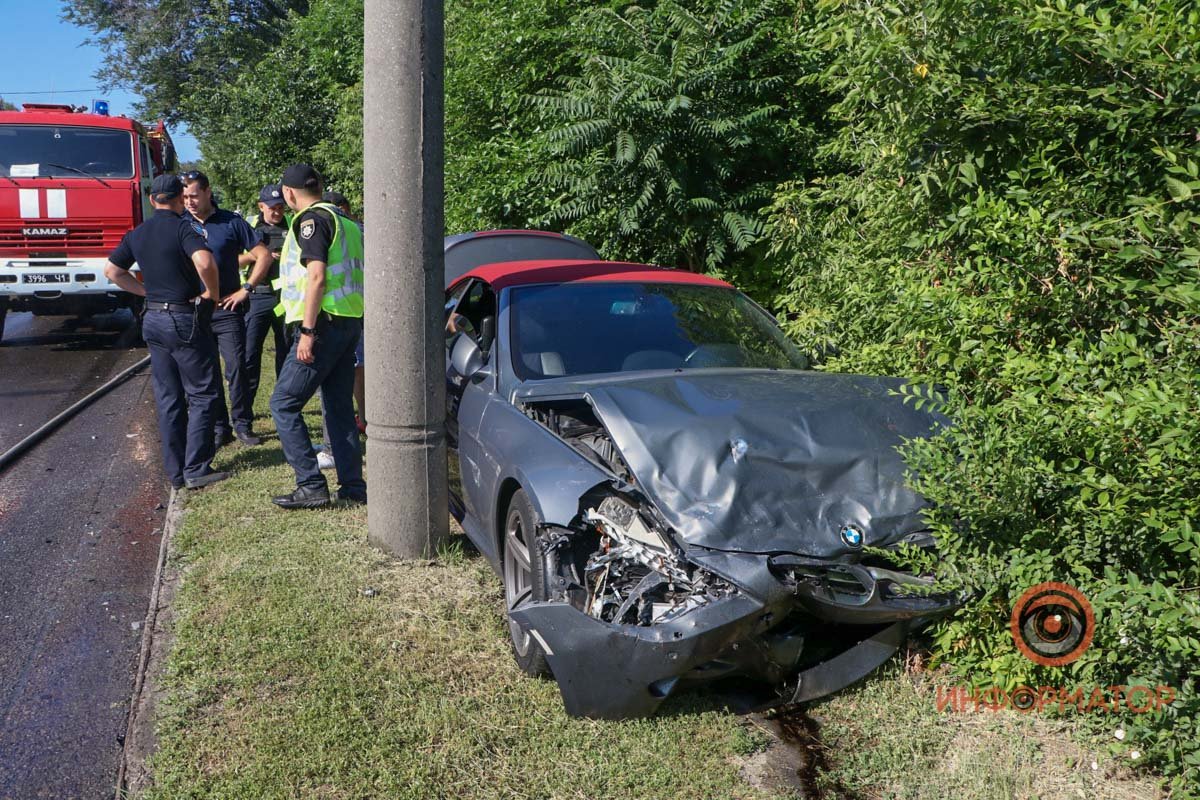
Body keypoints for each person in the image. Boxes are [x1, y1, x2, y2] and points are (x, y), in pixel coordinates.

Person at [102, 175, 228, 490]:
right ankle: (197, 467)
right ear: (179, 198)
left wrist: (145, 292)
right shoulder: (184, 227)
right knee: (202, 392)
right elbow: (205, 260)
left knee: (168, 396)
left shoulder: (138, 233)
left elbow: (113, 271)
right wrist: (211, 294)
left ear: (152, 199)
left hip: (153, 319)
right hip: (183, 319)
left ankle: (175, 473)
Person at [269, 164, 366, 509]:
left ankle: (310, 484)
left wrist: (307, 332)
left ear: (288, 194)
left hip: (322, 325)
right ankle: (353, 485)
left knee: (283, 403)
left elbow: (316, 278)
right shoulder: (346, 222)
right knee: (338, 406)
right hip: (348, 321)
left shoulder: (310, 221)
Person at [182, 170, 273, 448]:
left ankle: (243, 424)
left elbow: (263, 255)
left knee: (236, 368)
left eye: (194, 196)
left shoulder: (231, 222)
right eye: (185, 197)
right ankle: (221, 427)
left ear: (208, 192)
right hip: (195, 312)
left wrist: (246, 289)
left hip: (227, 309)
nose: (189, 202)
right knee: (206, 372)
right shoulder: (180, 224)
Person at [239, 183, 290, 409]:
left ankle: (284, 405)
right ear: (261, 206)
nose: (277, 212)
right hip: (256, 298)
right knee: (250, 355)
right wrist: (260, 257)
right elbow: (232, 261)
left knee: (286, 354)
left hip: (285, 299)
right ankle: (246, 411)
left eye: (280, 207)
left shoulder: (293, 227)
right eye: (272, 208)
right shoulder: (248, 227)